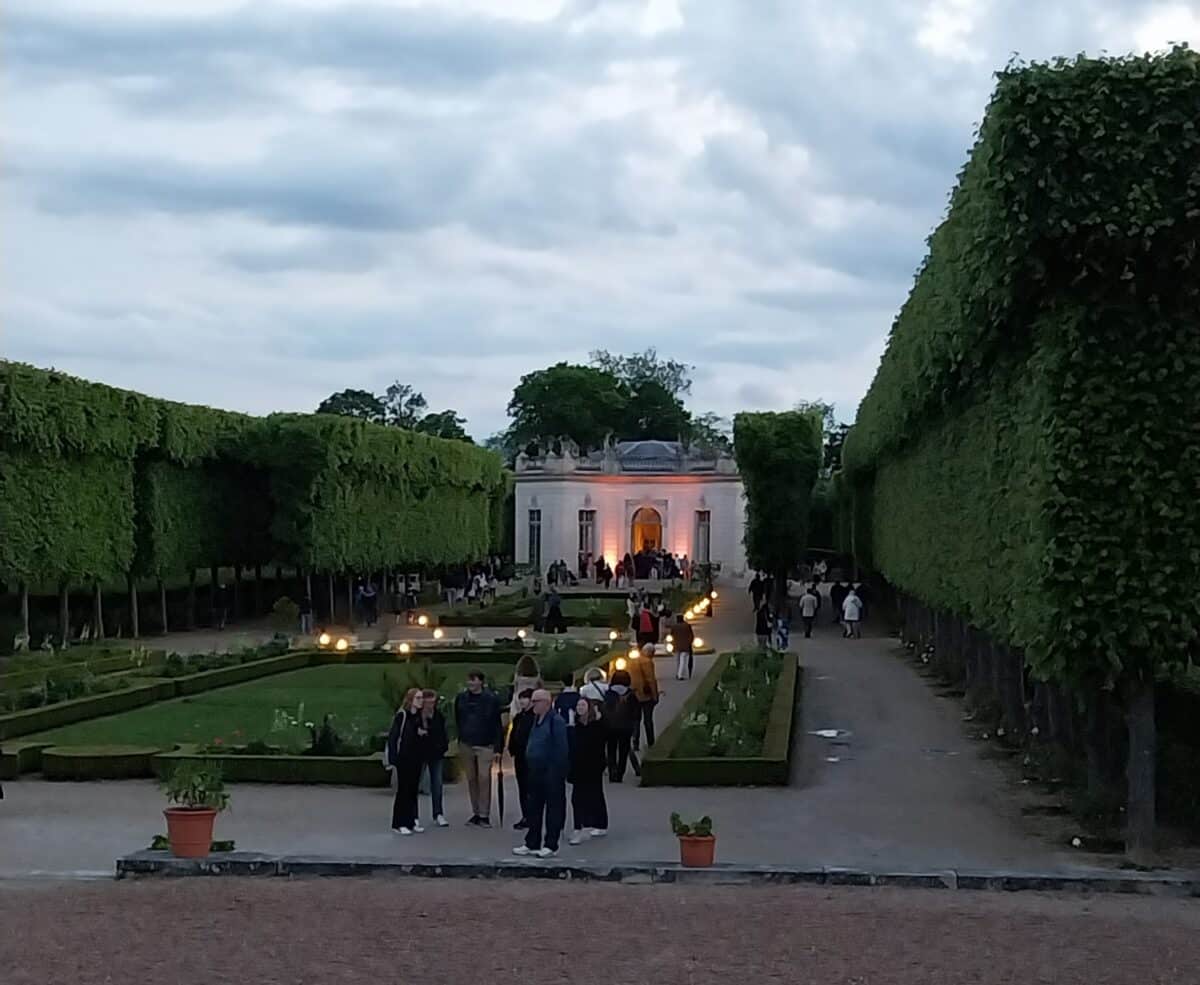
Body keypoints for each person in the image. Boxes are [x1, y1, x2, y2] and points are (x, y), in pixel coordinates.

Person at [513, 689, 569, 858]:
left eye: (536, 701)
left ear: (546, 702)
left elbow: (561, 748)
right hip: (535, 770)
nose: (533, 704)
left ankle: (551, 844)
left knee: (553, 808)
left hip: (551, 771)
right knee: (534, 808)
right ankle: (532, 842)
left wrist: (557, 770)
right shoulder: (536, 720)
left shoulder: (556, 721)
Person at [454, 670, 504, 827]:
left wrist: (498, 748)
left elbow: (497, 724)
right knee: (471, 779)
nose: (470, 683)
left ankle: (484, 814)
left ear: (481, 682)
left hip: (485, 744)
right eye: (469, 680)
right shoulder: (461, 699)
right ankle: (475, 812)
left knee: (484, 778)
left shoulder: (491, 699)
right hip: (466, 743)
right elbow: (458, 718)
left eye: (473, 680)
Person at [568, 698, 609, 845]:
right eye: (578, 705)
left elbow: (601, 743)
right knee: (577, 797)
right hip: (578, 766)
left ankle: (599, 823)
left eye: (583, 705)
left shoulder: (596, 725)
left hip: (593, 766)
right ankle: (580, 826)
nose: (580, 708)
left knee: (595, 794)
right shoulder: (575, 726)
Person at [386, 688, 426, 835]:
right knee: (403, 791)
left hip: (416, 758)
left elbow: (418, 735)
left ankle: (411, 820)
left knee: (413, 791)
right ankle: (399, 823)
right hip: (404, 758)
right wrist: (393, 759)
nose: (421, 701)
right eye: (418, 698)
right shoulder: (402, 716)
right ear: (411, 700)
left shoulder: (419, 717)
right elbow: (393, 737)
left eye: (421, 698)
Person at [419, 688, 450, 827]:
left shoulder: (438, 716)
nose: (431, 706)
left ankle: (438, 814)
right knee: (414, 784)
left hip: (436, 754)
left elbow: (442, 734)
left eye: (433, 702)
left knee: (437, 784)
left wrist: (443, 747)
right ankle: (413, 815)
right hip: (419, 754)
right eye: (428, 703)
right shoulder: (417, 717)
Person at [507, 688, 536, 831]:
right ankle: (526, 815)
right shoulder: (519, 717)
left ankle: (532, 816)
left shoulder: (535, 717)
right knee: (523, 788)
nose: (522, 701)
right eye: (521, 698)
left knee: (531, 788)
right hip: (519, 756)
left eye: (525, 698)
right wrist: (511, 748)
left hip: (531, 757)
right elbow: (514, 734)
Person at [603, 670, 638, 781]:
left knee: (611, 749)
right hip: (626, 727)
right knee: (624, 751)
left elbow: (604, 710)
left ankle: (612, 771)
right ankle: (620, 774)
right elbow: (636, 713)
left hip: (610, 727)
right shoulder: (631, 695)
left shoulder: (608, 694)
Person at [627, 642, 661, 748]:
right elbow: (651, 679)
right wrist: (655, 695)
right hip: (646, 695)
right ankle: (651, 742)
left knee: (636, 719)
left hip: (634, 693)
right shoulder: (647, 662)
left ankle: (635, 741)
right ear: (650, 652)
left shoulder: (632, 661)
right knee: (648, 720)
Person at [673, 612, 694, 680]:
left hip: (676, 645)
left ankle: (678, 673)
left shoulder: (674, 626)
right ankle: (680, 675)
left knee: (678, 661)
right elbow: (691, 635)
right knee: (683, 660)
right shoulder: (687, 625)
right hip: (685, 646)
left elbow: (671, 634)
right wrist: (689, 642)